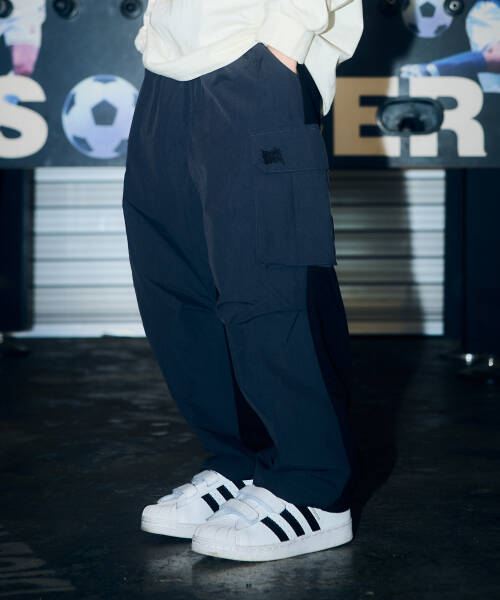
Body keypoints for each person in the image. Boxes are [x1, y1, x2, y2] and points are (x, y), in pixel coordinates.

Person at [122, 0, 364, 562]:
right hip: (169, 67)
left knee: (270, 282)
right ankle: (243, 462)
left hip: (254, 52)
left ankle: (313, 484)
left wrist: (283, 36)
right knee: (178, 288)